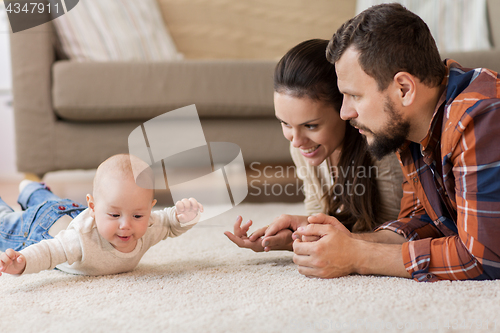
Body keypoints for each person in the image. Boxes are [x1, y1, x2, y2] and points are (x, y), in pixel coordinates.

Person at [291, 3, 500, 281]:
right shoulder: (411, 130)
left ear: (404, 89)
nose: (345, 113)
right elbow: (425, 223)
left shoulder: (480, 117)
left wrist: (358, 257)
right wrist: (344, 241)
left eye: (355, 96)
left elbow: (484, 258)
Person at [225, 39, 403, 252]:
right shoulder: (303, 148)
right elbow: (323, 218)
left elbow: (396, 236)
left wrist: (307, 236)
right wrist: (291, 237)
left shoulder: (382, 148)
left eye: (310, 125)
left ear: (344, 109)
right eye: (285, 123)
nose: (296, 140)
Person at [0, 154, 203, 276]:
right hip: (44, 227)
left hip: (68, 210)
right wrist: (23, 262)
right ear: (93, 207)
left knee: (53, 202)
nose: (126, 225)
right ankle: (31, 193)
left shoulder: (148, 225)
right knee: (5, 223)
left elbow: (168, 223)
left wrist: (182, 218)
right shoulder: (80, 239)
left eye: (138, 216)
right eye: (115, 215)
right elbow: (50, 252)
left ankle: (32, 190)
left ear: (149, 209)